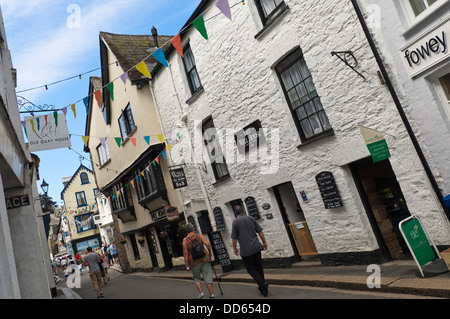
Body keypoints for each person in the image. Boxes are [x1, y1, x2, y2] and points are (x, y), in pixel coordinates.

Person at [231, 205, 269, 296]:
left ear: (236, 213)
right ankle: (263, 288)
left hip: (246, 250)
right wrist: (264, 242)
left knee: (250, 268)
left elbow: (234, 238)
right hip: (256, 247)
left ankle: (262, 284)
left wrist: (235, 248)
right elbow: (260, 232)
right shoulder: (251, 218)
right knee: (259, 267)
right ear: (243, 211)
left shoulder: (235, 222)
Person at [182, 223, 215, 299]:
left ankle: (201, 293)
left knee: (196, 277)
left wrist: (186, 264)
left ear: (186, 231)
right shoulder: (199, 235)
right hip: (204, 258)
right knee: (207, 276)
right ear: (193, 229)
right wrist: (210, 254)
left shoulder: (185, 240)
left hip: (194, 261)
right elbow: (208, 245)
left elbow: (185, 253)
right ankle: (212, 294)